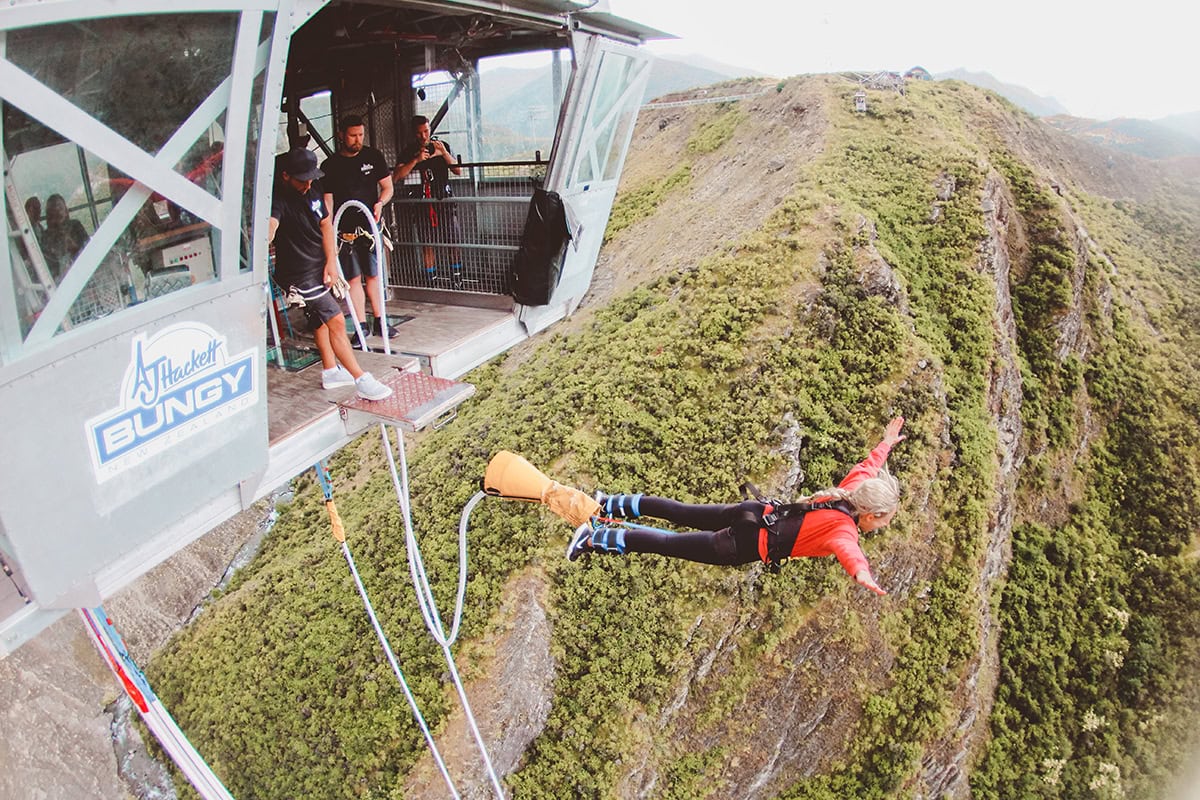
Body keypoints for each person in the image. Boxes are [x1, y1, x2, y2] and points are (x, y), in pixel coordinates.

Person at [567, 417, 907, 596]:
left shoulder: (848, 492)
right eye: (883, 521)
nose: (881, 527)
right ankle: (592, 539)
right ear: (871, 513)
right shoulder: (844, 529)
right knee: (668, 543)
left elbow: (869, 467)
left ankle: (608, 503)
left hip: (755, 512)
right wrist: (860, 572)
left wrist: (886, 444)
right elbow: (848, 550)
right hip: (743, 544)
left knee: (680, 511)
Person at [269, 148, 392, 401]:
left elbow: (326, 224)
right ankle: (361, 379)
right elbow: (271, 226)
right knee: (336, 319)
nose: (308, 184)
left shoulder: (313, 189)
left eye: (311, 178)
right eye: (302, 179)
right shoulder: (276, 200)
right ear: (285, 176)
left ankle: (330, 371)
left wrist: (331, 263)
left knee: (320, 319)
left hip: (319, 265)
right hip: (297, 274)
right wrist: (263, 237)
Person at [320, 115, 397, 338]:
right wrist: (331, 232)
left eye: (361, 135)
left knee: (373, 275)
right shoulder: (330, 166)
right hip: (345, 232)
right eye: (353, 135)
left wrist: (380, 203)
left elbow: (387, 187)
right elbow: (328, 201)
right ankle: (361, 325)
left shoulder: (373, 156)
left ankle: (380, 321)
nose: (357, 139)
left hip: (370, 227)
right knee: (353, 278)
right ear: (341, 135)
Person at [392, 115, 464, 287]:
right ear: (414, 133)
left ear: (430, 129)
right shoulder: (408, 152)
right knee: (427, 244)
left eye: (426, 131)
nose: (423, 136)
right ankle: (431, 281)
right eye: (419, 133)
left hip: (444, 201)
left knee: (453, 242)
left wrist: (444, 154)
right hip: (422, 204)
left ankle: (457, 279)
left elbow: (458, 171)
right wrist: (416, 160)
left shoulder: (441, 146)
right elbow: (397, 176)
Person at [42, 194, 89, 281]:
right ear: (49, 215)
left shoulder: (75, 226)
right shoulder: (46, 236)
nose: (58, 213)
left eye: (60, 208)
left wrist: (74, 247)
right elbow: (48, 265)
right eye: (53, 211)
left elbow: (89, 250)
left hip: (83, 273)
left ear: (66, 210)